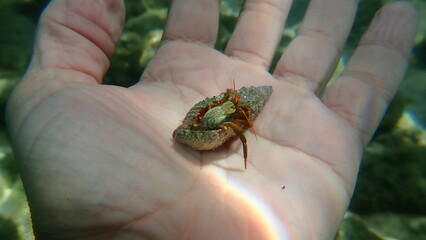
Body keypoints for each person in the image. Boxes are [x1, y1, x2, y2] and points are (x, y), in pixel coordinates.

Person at [6, 0, 418, 239]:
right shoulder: (218, 110)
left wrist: (234, 124)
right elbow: (203, 114)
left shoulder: (238, 113)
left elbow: (231, 121)